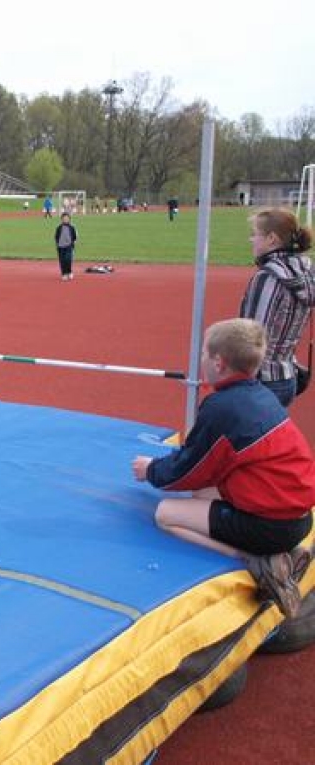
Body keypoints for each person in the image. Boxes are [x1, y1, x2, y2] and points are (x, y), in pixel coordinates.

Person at [132, 318, 315, 617]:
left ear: (218, 362)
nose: (200, 359)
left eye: (204, 353)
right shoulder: (260, 395)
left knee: (165, 514)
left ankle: (258, 562)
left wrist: (151, 470)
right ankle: (276, 554)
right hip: (297, 516)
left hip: (273, 527)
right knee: (200, 494)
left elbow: (190, 468)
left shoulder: (222, 408)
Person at [239, 208, 315, 407]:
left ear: (272, 239)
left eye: (254, 234)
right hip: (286, 375)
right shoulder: (305, 272)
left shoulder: (267, 276)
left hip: (261, 380)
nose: (251, 240)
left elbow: (253, 336)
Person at [55, 212, 78, 281]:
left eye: (67, 218)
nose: (65, 219)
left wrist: (73, 243)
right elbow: (56, 236)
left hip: (69, 246)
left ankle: (69, 272)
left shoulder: (72, 227)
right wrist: (57, 244)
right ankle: (64, 274)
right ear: (61, 219)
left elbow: (74, 236)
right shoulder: (59, 227)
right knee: (62, 261)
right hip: (60, 247)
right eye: (64, 218)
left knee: (68, 259)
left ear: (69, 219)